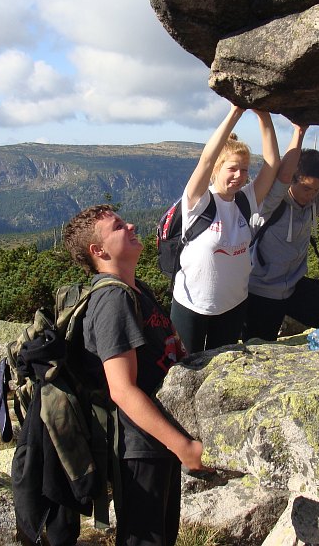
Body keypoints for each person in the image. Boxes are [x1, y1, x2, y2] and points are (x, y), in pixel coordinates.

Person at [63, 204, 211, 546]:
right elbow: (122, 389)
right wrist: (183, 446)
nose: (130, 225)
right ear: (98, 251)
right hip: (138, 446)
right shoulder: (112, 299)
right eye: (117, 227)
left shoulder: (134, 289)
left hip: (157, 439)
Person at [169, 103, 281, 353]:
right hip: (192, 305)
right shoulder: (198, 201)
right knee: (185, 367)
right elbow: (206, 159)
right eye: (232, 168)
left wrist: (264, 116)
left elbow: (273, 163)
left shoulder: (245, 200)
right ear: (216, 169)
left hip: (233, 305)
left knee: (223, 367)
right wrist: (235, 112)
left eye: (244, 170)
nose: (239, 175)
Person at [243, 123, 319, 341]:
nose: (311, 195)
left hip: (294, 286)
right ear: (292, 180)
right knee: (260, 347)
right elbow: (282, 175)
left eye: (316, 189)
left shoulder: (314, 202)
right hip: (261, 291)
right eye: (306, 188)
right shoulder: (272, 203)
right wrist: (299, 132)